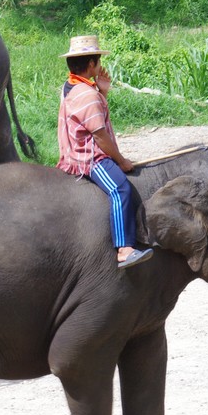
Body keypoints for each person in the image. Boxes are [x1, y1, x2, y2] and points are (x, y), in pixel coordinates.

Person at [56, 35, 152, 270]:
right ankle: (124, 249)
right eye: (98, 61)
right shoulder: (88, 95)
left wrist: (103, 91)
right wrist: (121, 160)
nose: (100, 66)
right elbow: (99, 136)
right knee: (120, 188)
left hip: (73, 151)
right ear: (91, 64)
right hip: (88, 158)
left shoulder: (71, 87)